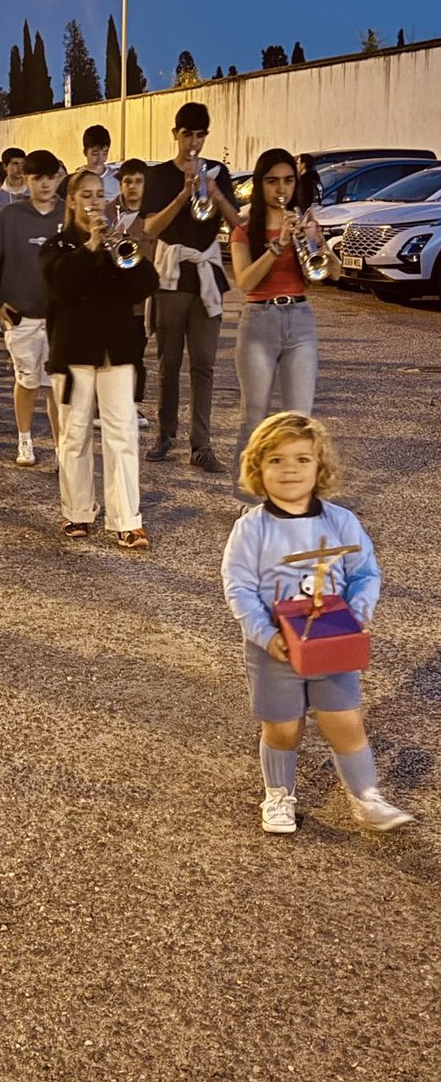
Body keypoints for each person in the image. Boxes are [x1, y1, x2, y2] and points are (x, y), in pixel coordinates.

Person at [222, 411, 414, 835]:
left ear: (320, 466)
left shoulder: (341, 522)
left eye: (302, 459)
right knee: (284, 726)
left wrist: (357, 613)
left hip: (331, 638)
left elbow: (365, 573)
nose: (289, 468)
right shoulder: (251, 529)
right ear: (257, 469)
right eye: (276, 460)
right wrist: (265, 634)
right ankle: (278, 793)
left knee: (344, 720)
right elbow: (239, 588)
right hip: (274, 647)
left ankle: (366, 797)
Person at [39, 169, 158, 547]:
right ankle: (77, 512)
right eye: (85, 195)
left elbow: (146, 285)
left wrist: (123, 249)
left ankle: (127, 519)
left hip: (117, 350)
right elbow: (61, 286)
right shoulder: (56, 246)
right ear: (71, 200)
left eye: (98, 195)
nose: (93, 202)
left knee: (122, 433)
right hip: (73, 350)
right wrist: (91, 247)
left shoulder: (117, 241)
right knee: (74, 435)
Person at [229, 149, 341, 503]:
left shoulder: (305, 224)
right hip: (259, 320)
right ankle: (248, 500)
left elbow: (331, 273)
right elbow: (246, 282)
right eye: (272, 180)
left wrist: (317, 242)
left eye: (288, 180)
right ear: (260, 184)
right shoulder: (244, 231)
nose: (281, 188)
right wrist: (276, 247)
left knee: (299, 417)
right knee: (255, 415)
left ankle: (298, 499)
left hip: (300, 319)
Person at [142, 101, 241, 472]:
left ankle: (202, 444)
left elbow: (236, 224)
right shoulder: (159, 176)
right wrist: (184, 195)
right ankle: (165, 435)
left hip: (207, 278)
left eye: (200, 135)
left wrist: (213, 193)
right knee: (168, 362)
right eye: (187, 135)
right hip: (170, 278)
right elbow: (150, 229)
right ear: (176, 135)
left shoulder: (219, 172)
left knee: (204, 364)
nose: (193, 142)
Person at [0, 149, 64, 467]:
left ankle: (60, 448)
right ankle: (25, 442)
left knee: (57, 386)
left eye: (50, 177)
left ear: (58, 178)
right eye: (37, 178)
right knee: (27, 382)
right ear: (26, 180)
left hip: (60, 321)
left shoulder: (69, 215)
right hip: (22, 317)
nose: (44, 184)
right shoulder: (9, 217)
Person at [105, 159, 157, 429]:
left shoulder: (153, 213)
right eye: (127, 181)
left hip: (142, 297)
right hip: (113, 295)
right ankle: (109, 404)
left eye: (138, 181)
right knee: (112, 352)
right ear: (120, 183)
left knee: (137, 352)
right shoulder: (108, 212)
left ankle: (134, 406)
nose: (133, 187)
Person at [58, 125, 120, 202]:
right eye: (95, 153)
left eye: (105, 152)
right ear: (85, 152)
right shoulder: (72, 180)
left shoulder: (118, 177)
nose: (100, 157)